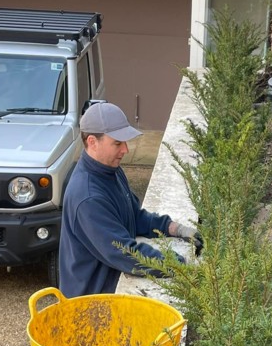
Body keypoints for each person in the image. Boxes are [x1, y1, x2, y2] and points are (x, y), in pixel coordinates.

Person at [59, 101, 198, 297]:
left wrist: (174, 228)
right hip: (91, 306)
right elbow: (125, 253)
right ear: (92, 142)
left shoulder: (111, 172)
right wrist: (180, 265)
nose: (125, 150)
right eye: (117, 143)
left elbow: (135, 216)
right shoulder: (87, 197)